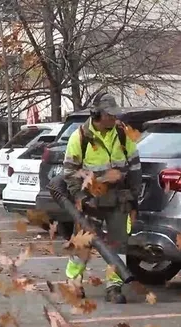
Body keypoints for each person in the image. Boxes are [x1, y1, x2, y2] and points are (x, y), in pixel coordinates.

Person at [55, 92, 142, 304]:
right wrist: (83, 198)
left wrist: (132, 198)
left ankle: (114, 286)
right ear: (98, 114)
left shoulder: (122, 134)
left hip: (118, 200)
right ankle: (74, 282)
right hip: (90, 201)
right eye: (109, 115)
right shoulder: (80, 137)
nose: (114, 119)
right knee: (83, 244)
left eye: (115, 115)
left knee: (118, 244)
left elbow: (135, 167)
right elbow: (70, 173)